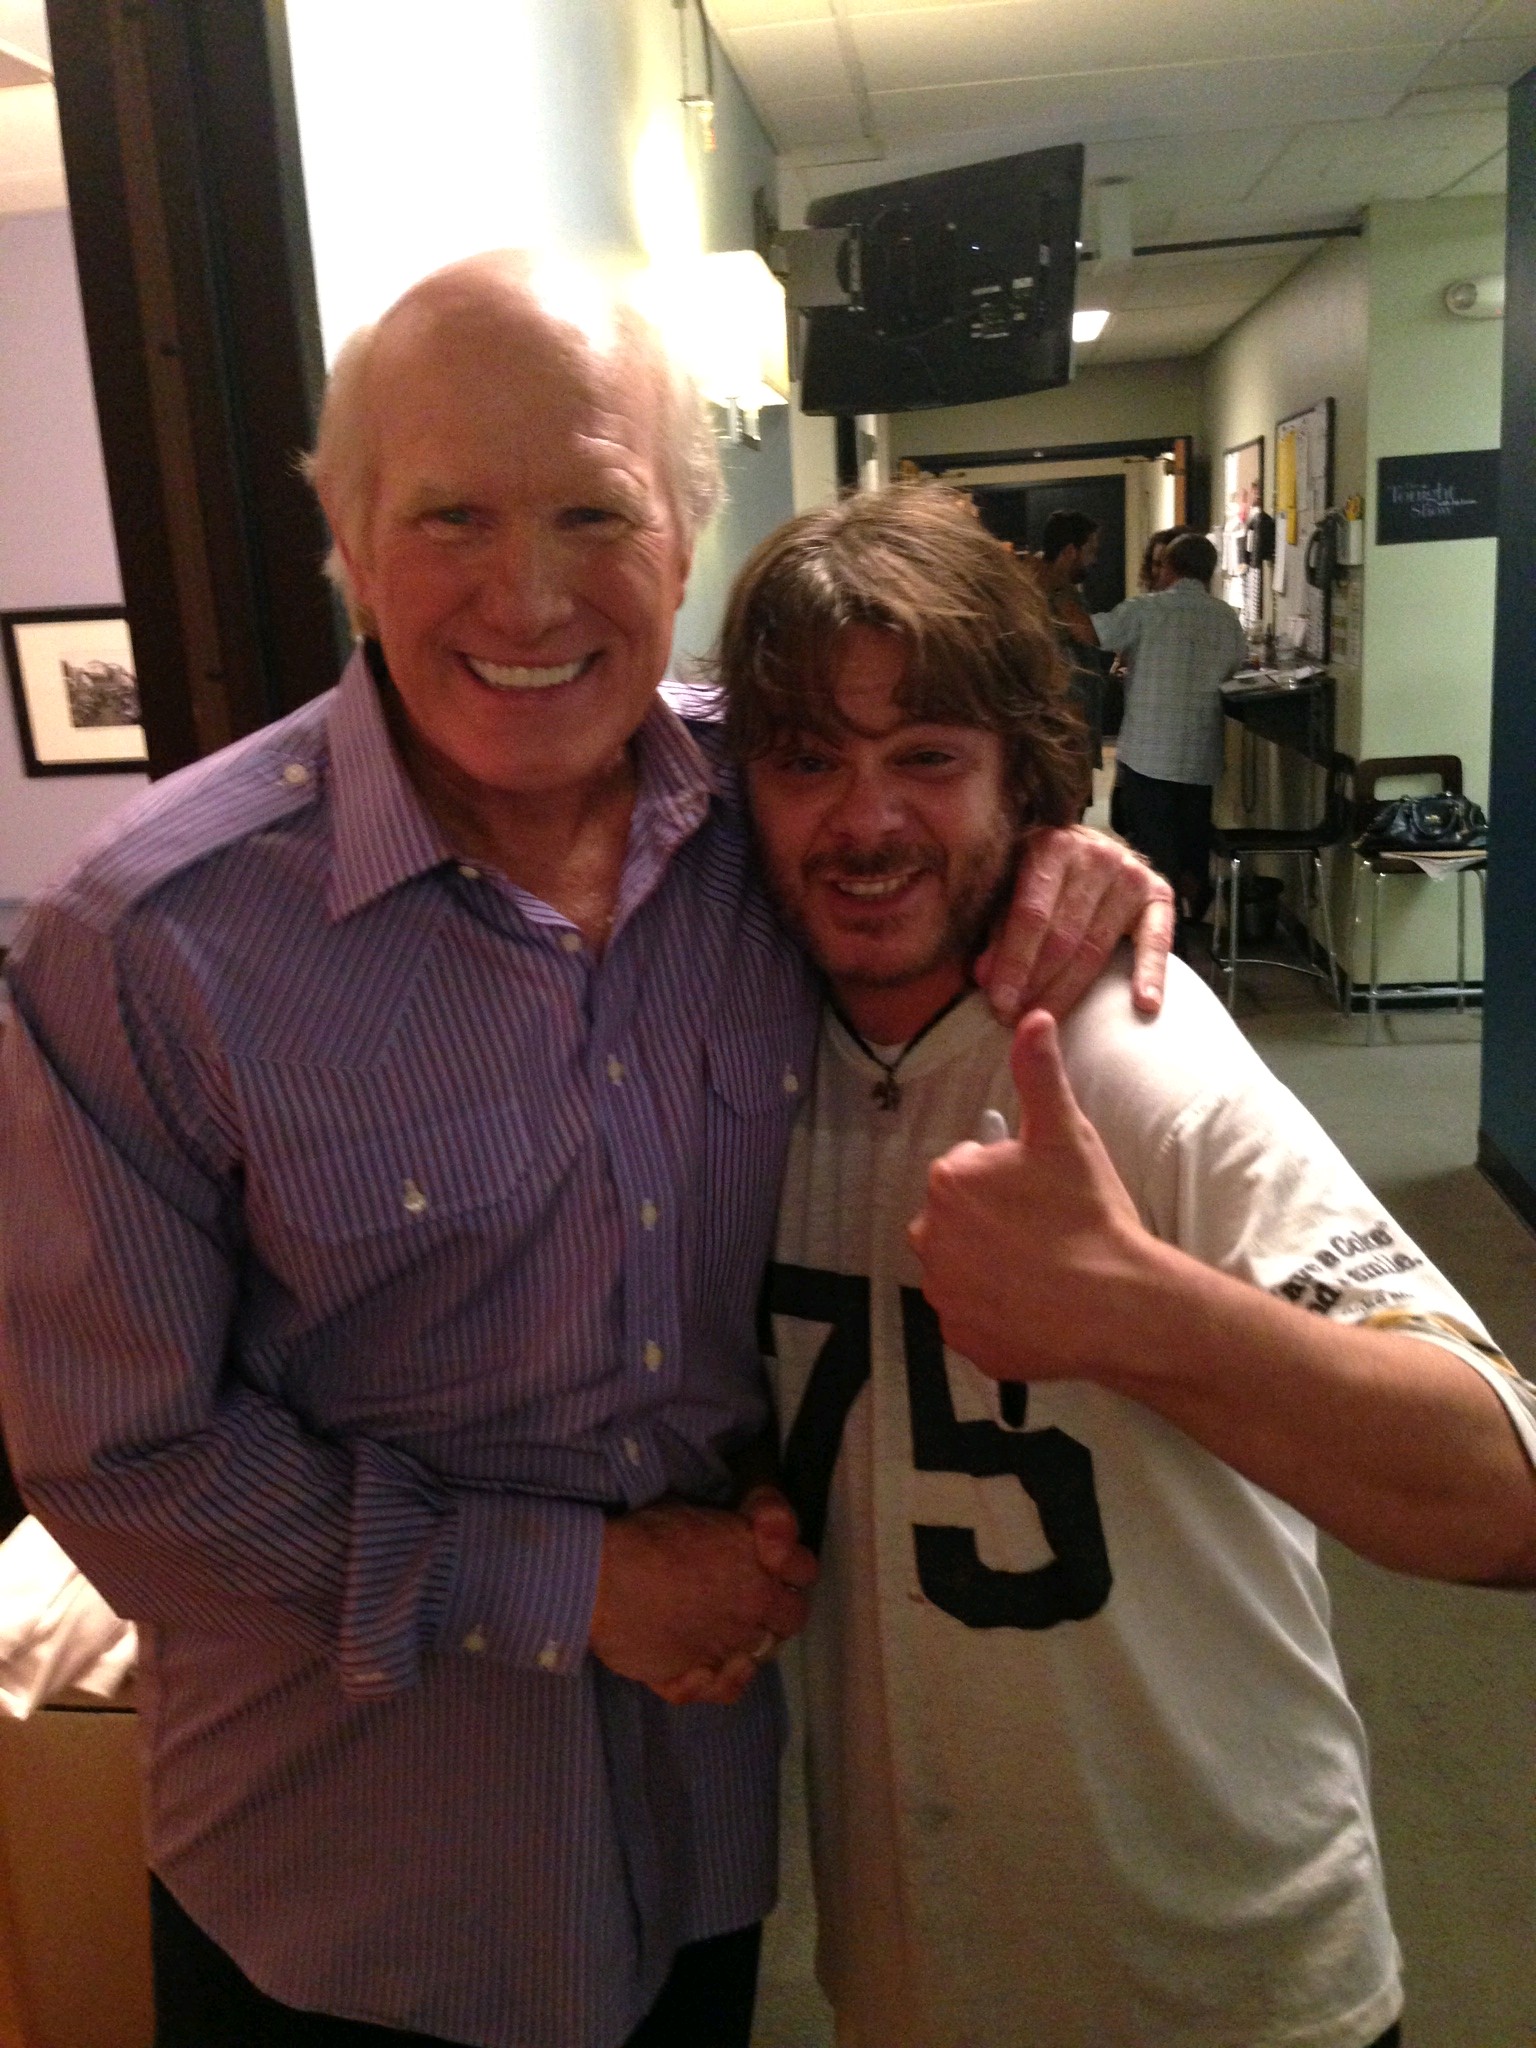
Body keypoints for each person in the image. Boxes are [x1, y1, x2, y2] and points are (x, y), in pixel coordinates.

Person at [0, 255, 1175, 2048]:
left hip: (695, 1838)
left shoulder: (772, 828)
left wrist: (1069, 858)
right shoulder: (145, 939)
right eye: (448, 511)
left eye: (594, 510)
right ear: (344, 531)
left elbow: (926, 834)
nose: (526, 590)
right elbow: (122, 1455)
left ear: (691, 530)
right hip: (348, 1899)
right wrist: (576, 1582)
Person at [719, 484, 1536, 2048]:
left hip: (1233, 1987)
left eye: (928, 759)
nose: (865, 819)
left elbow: (1503, 1492)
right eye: (807, 760)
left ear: (1028, 783)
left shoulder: (1135, 1051)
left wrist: (1141, 1315)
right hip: (905, 1988)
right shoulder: (736, 1077)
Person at [1097, 528, 1249, 930]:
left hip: (1147, 753)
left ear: (1168, 567)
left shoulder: (1146, 609)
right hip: (1199, 754)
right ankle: (1192, 911)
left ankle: (1164, 931)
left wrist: (1052, 595)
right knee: (1192, 840)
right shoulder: (1227, 618)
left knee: (1153, 847)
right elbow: (1235, 666)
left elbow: (1092, 633)